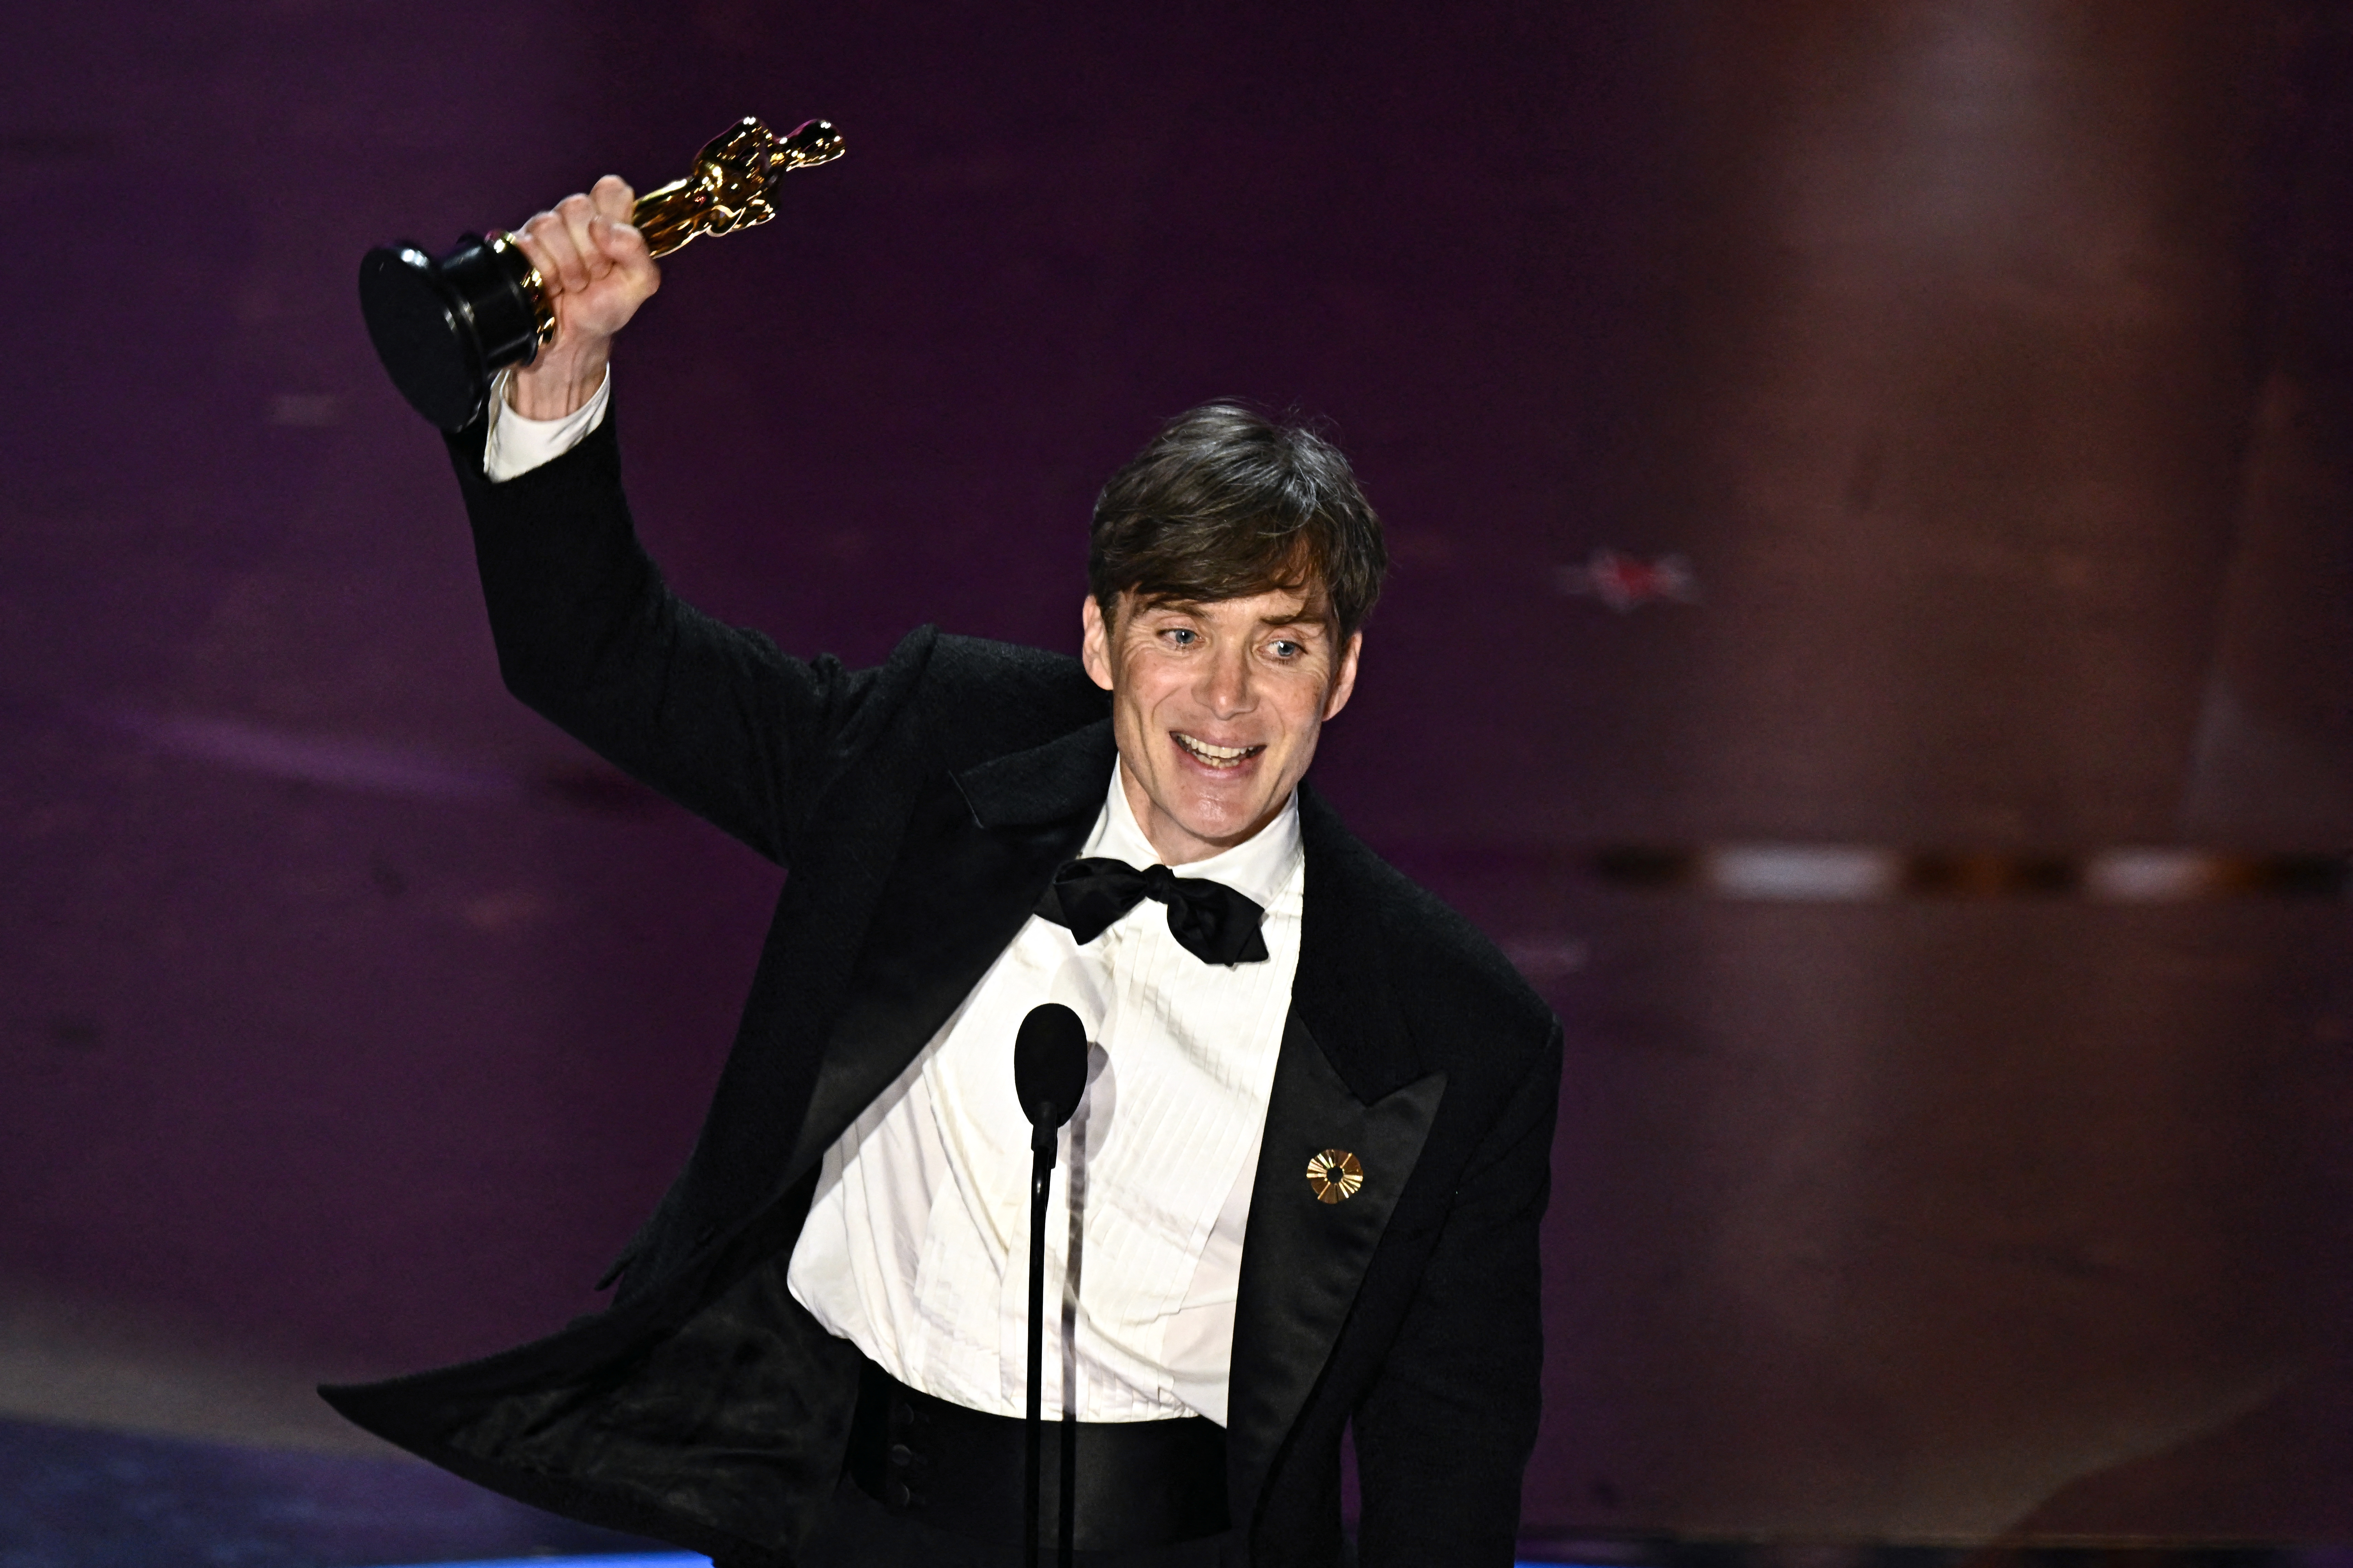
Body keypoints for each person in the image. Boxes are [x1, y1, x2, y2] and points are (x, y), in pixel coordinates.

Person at [324, 176, 1562, 1568]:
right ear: (1099, 644)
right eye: (1178, 633)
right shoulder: (933, 760)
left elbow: (1443, 1460)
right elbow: (603, 662)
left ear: (1340, 674)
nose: (1223, 701)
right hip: (835, 1527)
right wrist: (560, 378)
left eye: (1278, 645)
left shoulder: (1453, 1030)